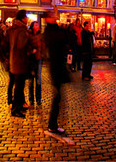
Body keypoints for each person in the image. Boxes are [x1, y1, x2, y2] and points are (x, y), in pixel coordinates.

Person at [43, 9, 72, 137]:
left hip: (59, 66)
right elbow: (60, 40)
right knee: (56, 97)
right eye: (52, 16)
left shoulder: (56, 29)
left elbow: (67, 39)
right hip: (55, 67)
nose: (55, 17)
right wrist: (63, 29)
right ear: (47, 19)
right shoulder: (49, 32)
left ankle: (53, 124)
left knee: (59, 97)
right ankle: (52, 125)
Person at [7, 10, 31, 118]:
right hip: (20, 61)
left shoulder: (14, 28)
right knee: (19, 86)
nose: (27, 18)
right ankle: (15, 109)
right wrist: (29, 47)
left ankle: (18, 106)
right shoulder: (21, 30)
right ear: (22, 18)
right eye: (26, 17)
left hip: (15, 61)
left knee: (19, 85)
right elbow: (22, 45)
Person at [27, 21, 42, 107]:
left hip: (39, 59)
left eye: (38, 25)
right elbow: (26, 44)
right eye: (36, 25)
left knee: (38, 80)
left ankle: (38, 99)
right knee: (31, 80)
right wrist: (31, 50)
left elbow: (42, 45)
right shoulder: (29, 35)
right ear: (32, 27)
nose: (38, 26)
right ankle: (31, 99)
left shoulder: (40, 35)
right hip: (31, 59)